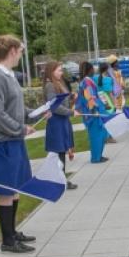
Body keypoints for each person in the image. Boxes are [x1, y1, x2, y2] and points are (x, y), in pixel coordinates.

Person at [0, 35, 42, 253]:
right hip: (3, 144)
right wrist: (21, 128)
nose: (21, 55)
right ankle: (8, 241)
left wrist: (36, 113)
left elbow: (16, 108)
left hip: (13, 142)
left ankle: (13, 232)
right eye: (21, 51)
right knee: (7, 191)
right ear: (13, 51)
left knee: (15, 188)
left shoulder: (9, 76)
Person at [43, 61, 77, 190]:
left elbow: (63, 100)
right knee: (58, 152)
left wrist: (71, 98)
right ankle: (60, 181)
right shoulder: (50, 86)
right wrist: (71, 112)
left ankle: (60, 180)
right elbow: (54, 106)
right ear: (52, 71)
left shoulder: (58, 83)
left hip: (62, 121)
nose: (61, 72)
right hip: (56, 122)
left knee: (61, 151)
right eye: (59, 70)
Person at [76, 61, 109, 163]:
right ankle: (96, 157)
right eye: (92, 68)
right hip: (93, 113)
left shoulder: (87, 81)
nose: (94, 70)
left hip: (94, 112)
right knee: (97, 136)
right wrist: (94, 111)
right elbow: (90, 98)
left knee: (101, 134)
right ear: (89, 70)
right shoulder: (86, 82)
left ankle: (98, 155)